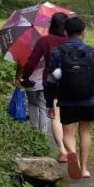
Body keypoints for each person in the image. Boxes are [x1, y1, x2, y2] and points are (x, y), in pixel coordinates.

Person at [45, 16, 94, 180]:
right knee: (85, 131)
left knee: (68, 133)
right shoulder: (93, 53)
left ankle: (71, 153)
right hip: (90, 99)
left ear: (66, 32)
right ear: (84, 32)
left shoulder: (57, 53)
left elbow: (51, 81)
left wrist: (50, 103)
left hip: (66, 99)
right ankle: (84, 169)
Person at [20, 12, 70, 162]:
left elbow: (32, 62)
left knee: (56, 116)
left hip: (53, 81)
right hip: (73, 81)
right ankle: (71, 149)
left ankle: (62, 151)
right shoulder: (71, 41)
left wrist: (25, 77)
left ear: (51, 25)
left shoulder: (44, 41)